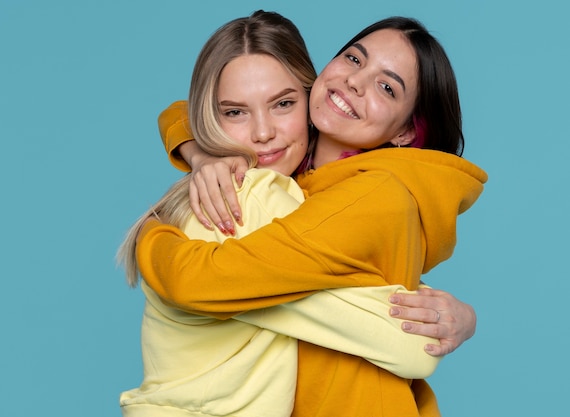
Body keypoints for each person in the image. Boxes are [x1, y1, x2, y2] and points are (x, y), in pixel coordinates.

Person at [137, 12, 488, 417]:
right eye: (355, 59)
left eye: (387, 87)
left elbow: (199, 282)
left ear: (405, 133)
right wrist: (199, 153)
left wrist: (153, 232)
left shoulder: (373, 193)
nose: (355, 81)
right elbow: (186, 108)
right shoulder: (297, 166)